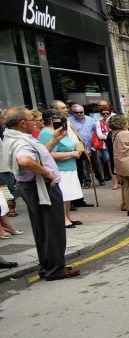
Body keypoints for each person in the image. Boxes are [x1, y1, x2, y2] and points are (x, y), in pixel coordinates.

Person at [0, 106, 79, 279]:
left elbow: (36, 155)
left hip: (32, 187)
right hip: (40, 187)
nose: (37, 122)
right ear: (22, 123)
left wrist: (52, 142)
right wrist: (46, 172)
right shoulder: (20, 141)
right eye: (32, 119)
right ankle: (55, 270)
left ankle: (48, 266)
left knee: (43, 228)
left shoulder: (13, 137)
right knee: (53, 229)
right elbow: (25, 160)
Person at [37, 109, 84, 228]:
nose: (63, 119)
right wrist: (72, 154)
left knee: (68, 195)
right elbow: (49, 154)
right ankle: (63, 219)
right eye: (59, 117)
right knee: (62, 196)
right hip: (60, 169)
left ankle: (67, 217)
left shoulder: (57, 131)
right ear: (53, 120)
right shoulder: (46, 133)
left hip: (69, 167)